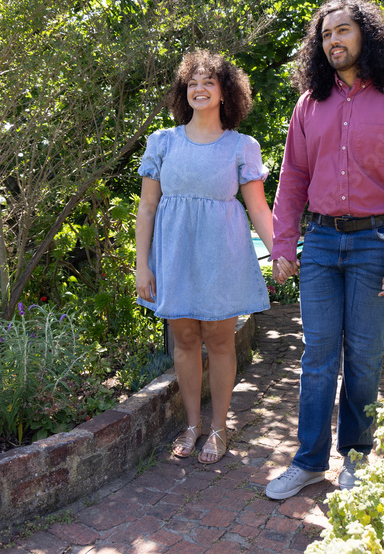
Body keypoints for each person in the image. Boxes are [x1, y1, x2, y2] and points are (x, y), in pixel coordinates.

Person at [265, 0, 384, 499]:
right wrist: (283, 242)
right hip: (320, 242)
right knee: (317, 355)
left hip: (376, 243)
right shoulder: (309, 104)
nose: (333, 41)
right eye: (325, 35)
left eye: (343, 30)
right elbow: (293, 178)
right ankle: (308, 461)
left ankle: (357, 457)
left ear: (366, 35)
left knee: (363, 356)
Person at [135, 50, 274, 464]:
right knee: (184, 339)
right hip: (174, 256)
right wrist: (142, 265)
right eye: (192, 82)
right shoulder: (163, 141)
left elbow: (258, 208)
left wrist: (281, 251)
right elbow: (147, 207)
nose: (199, 88)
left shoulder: (242, 146)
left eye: (208, 82)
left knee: (219, 340)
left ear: (225, 92)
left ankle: (219, 427)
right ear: (184, 91)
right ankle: (193, 424)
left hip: (222, 256)